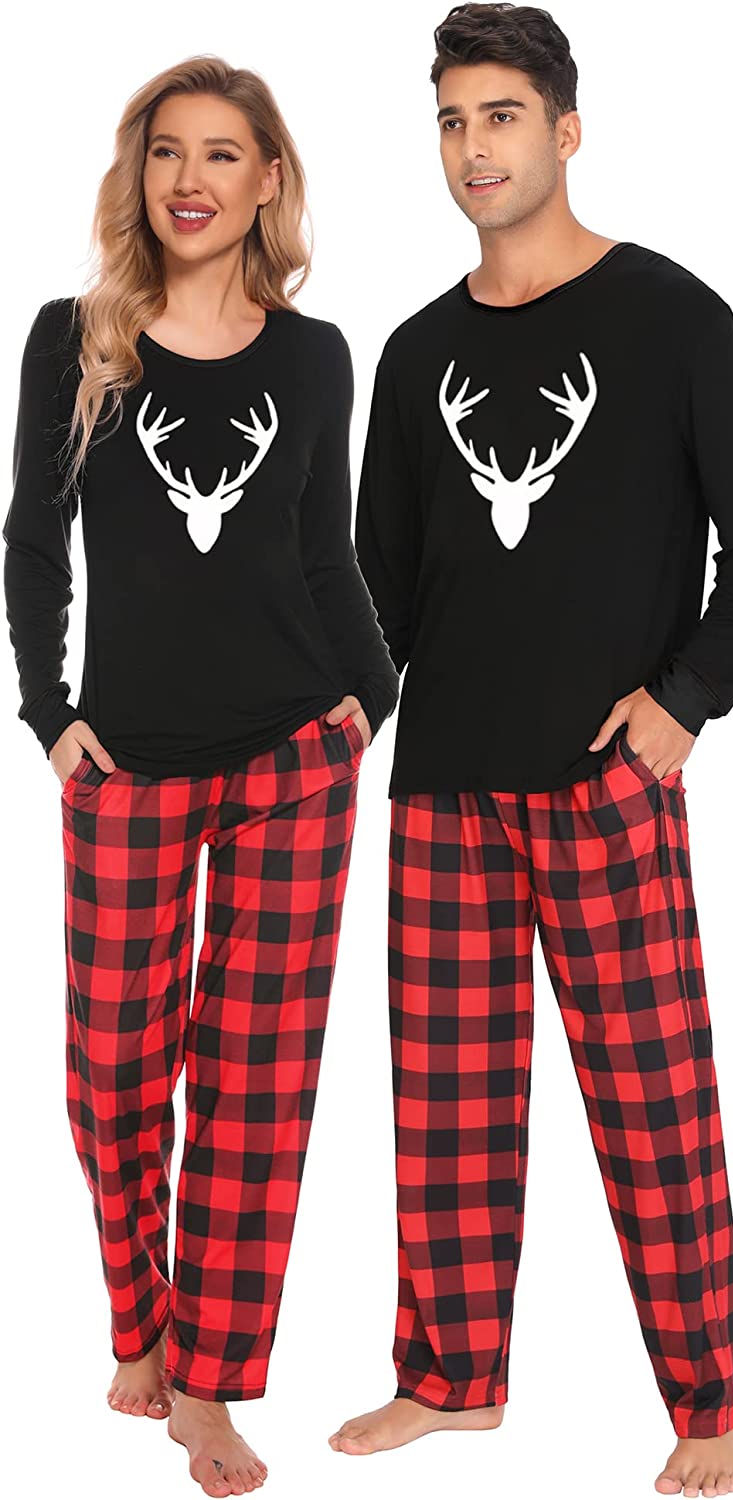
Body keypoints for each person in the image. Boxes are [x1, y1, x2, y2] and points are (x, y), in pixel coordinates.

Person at [330, 5, 733, 1496]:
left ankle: (709, 1410)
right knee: (447, 1108)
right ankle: (450, 1381)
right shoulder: (417, 353)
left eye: (501, 116)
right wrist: (314, 721)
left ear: (565, 130)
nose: (473, 148)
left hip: (609, 783)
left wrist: (685, 702)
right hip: (444, 787)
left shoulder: (671, 316)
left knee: (656, 1107)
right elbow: (379, 587)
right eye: (451, 121)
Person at [3, 55, 398, 1498]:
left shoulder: (315, 355)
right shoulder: (76, 340)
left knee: (254, 1083)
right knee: (113, 1070)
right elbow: (34, 537)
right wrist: (51, 713)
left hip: (297, 756)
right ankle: (141, 1322)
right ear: (141, 172)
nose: (191, 179)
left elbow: (323, 548)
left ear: (267, 180)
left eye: (223, 153)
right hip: (129, 764)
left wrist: (372, 697)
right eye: (168, 151)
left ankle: (212, 1383)